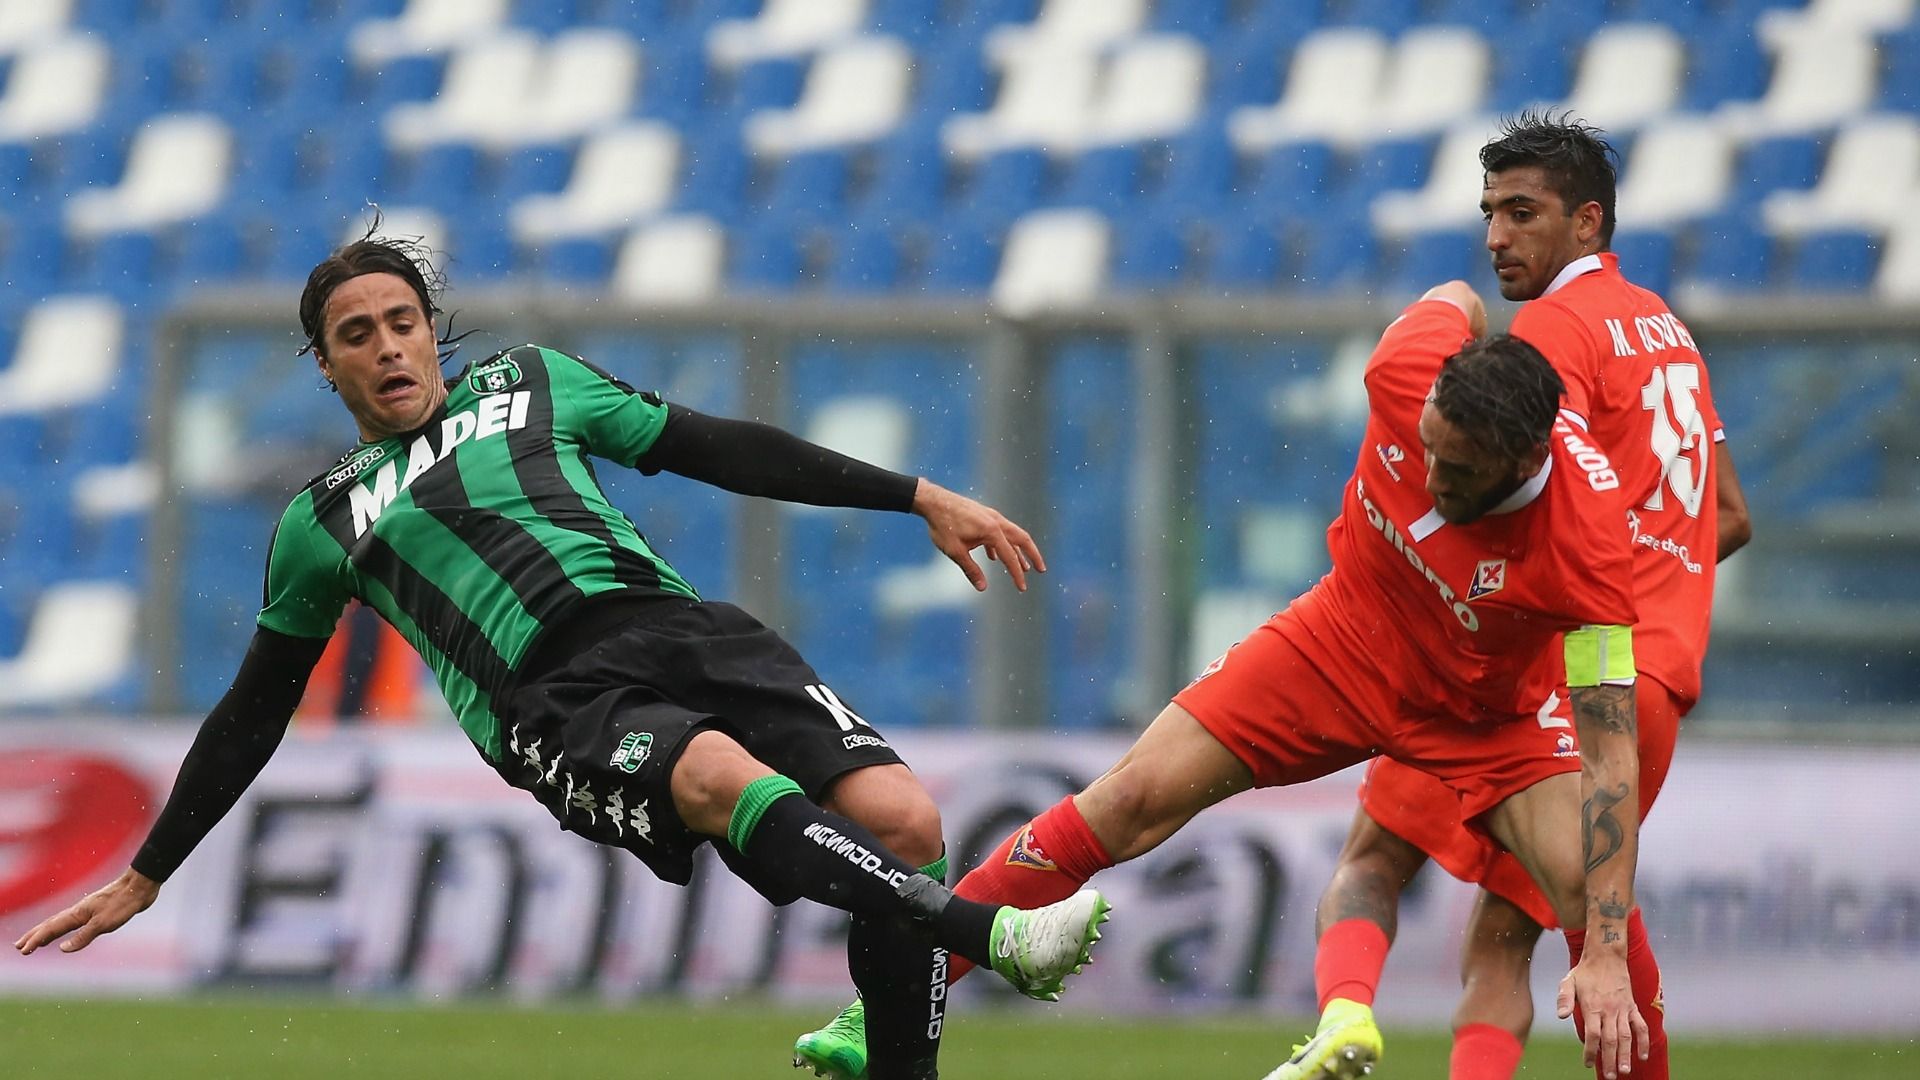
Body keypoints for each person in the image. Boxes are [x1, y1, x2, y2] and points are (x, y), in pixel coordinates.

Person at [11, 233, 1112, 1080]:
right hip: (548, 696)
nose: (388, 345)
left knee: (905, 822)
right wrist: (150, 870)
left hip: (682, 627)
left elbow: (717, 448)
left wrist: (915, 494)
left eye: (402, 321)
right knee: (723, 780)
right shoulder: (323, 519)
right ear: (326, 364)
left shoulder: (532, 382)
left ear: (431, 330)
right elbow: (254, 709)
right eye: (358, 334)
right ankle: (992, 937)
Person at [796, 279, 1651, 1080]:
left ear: (1525, 458)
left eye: (1459, 473)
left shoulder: (1589, 546)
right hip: (1344, 637)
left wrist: (1604, 957)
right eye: (1428, 450)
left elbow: (1612, 756)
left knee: (1587, 889)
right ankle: (880, 1010)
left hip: (1487, 712)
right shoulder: (1406, 368)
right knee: (1127, 800)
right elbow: (1459, 297)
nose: (1430, 479)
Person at [1289, 112, 1756, 1080]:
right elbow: (1732, 516)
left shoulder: (1551, 331)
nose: (1497, 236)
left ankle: (1342, 1019)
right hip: (1657, 679)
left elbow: (1528, 485)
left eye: (1522, 213)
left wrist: (1569, 586)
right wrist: (1652, 572)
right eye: (1489, 213)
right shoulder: (1668, 330)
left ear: (1588, 223)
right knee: (1525, 937)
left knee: (1380, 858)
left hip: (1561, 678)